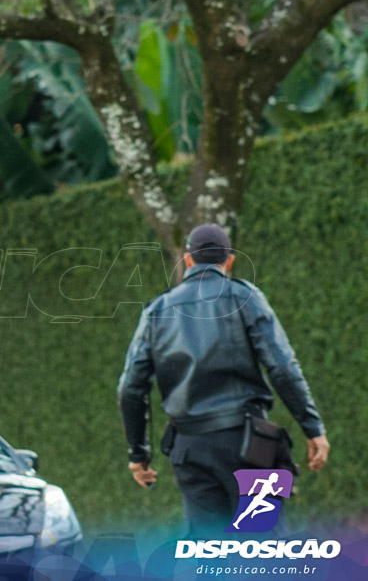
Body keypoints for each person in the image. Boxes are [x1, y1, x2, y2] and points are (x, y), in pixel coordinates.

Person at [117, 223, 330, 536]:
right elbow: (282, 367)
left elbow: (130, 389)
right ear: (229, 261)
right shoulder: (244, 297)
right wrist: (313, 427)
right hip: (250, 444)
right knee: (264, 546)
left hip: (189, 449)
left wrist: (139, 454)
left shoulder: (157, 311)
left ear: (188, 260)